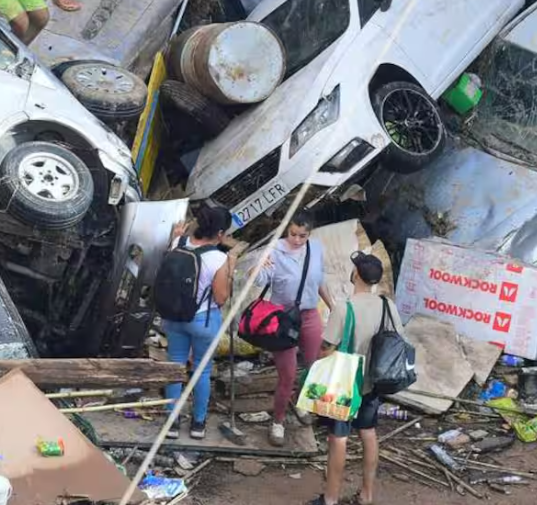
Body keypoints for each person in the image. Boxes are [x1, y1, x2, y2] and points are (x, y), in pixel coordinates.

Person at [312, 252, 395, 505]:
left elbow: (327, 347)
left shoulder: (344, 308)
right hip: (373, 379)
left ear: (356, 274)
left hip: (343, 382)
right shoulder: (386, 305)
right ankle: (367, 494)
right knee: (368, 432)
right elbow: (395, 338)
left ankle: (331, 499)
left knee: (338, 439)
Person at [254, 212, 332, 446]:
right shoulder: (275, 250)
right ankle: (277, 421)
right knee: (287, 374)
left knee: (314, 365)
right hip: (282, 318)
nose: (297, 240)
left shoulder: (316, 249)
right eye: (293, 234)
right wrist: (258, 266)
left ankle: (301, 402)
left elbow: (319, 281)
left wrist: (333, 305)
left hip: (309, 314)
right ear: (286, 230)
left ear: (310, 234)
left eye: (302, 236)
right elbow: (259, 279)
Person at [162, 205, 237, 441]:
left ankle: (172, 423)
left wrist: (175, 236)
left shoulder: (179, 244)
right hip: (202, 320)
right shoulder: (219, 258)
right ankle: (197, 423)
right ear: (221, 233)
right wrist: (231, 271)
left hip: (173, 317)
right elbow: (221, 297)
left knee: (174, 367)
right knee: (201, 371)